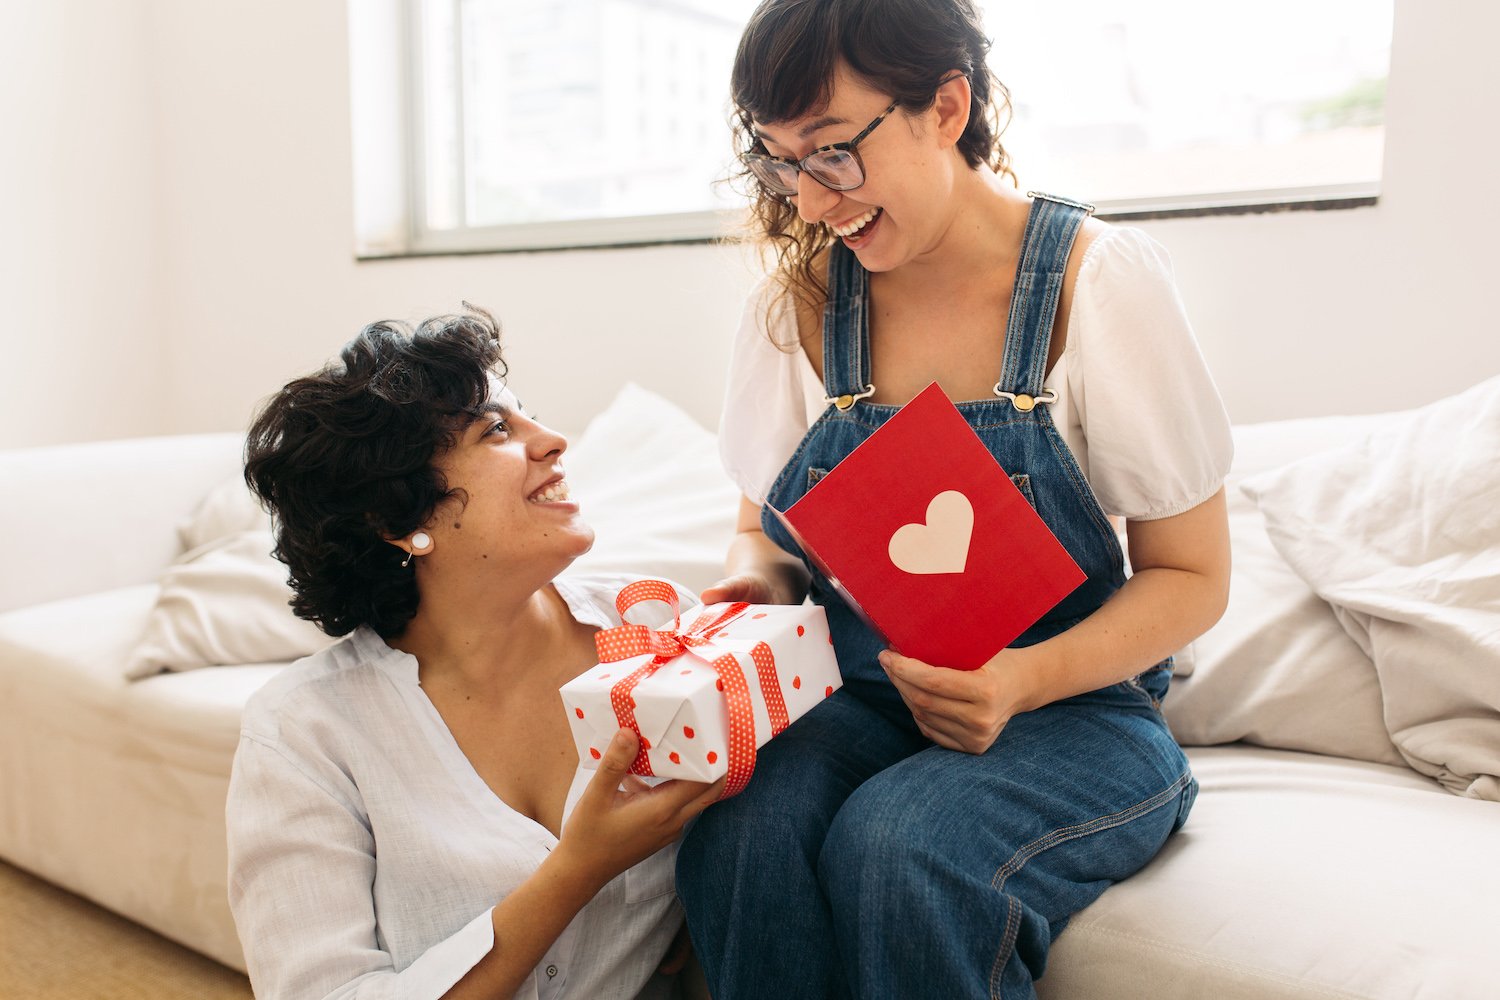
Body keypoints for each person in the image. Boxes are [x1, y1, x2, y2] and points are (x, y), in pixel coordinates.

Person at [675, 1, 1233, 998]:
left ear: (944, 106)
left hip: (1075, 713)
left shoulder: (1094, 285)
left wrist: (1019, 678)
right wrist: (748, 596)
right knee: (738, 821)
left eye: (832, 153)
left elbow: (1193, 578)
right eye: (778, 162)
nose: (808, 201)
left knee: (900, 847)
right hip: (862, 699)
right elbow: (759, 532)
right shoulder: (798, 307)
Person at [227, 308, 721, 1000]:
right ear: (398, 520)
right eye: (497, 430)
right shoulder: (303, 732)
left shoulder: (658, 630)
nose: (553, 442)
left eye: (529, 418)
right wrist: (576, 872)